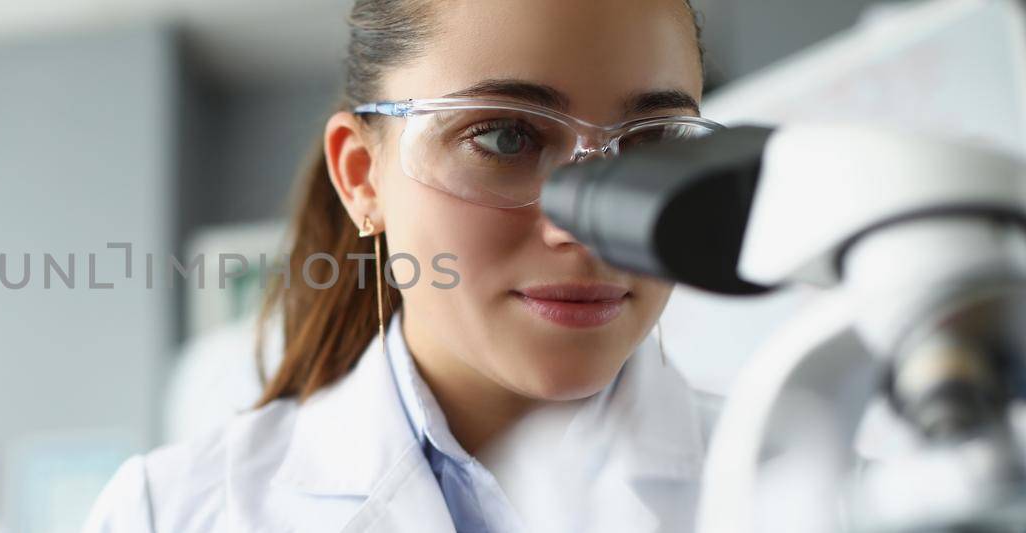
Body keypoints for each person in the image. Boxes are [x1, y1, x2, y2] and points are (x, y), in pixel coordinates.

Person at [84, 0, 722, 530]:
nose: (589, 226)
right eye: (506, 137)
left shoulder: (798, 482)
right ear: (362, 176)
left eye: (652, 142)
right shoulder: (167, 514)